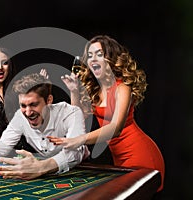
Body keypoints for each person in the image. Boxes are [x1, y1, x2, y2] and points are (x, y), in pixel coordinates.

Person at [48, 35, 165, 191]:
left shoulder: (123, 87)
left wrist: (80, 140)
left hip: (141, 154)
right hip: (119, 158)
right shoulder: (95, 90)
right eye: (89, 56)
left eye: (99, 54)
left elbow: (115, 129)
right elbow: (77, 120)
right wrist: (74, 91)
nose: (93, 59)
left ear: (110, 59)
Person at [0, 73, 88, 179]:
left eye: (34, 104)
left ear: (49, 100)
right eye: (23, 105)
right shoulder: (19, 116)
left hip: (81, 170)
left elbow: (76, 152)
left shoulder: (71, 113)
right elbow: (2, 148)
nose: (28, 112)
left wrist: (41, 167)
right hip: (44, 171)